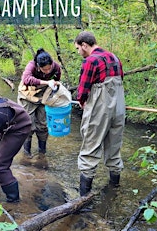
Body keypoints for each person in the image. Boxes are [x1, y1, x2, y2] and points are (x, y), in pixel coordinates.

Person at [74, 31, 126, 197]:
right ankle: (114, 191)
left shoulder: (90, 60)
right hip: (119, 107)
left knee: (90, 148)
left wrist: (82, 102)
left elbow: (83, 90)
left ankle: (83, 199)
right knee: (114, 150)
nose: (78, 52)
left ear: (84, 45)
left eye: (78, 48)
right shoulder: (114, 57)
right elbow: (121, 79)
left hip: (101, 107)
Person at [17, 48, 62, 158]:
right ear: (38, 66)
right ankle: (26, 154)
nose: (47, 71)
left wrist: (54, 85)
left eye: (49, 69)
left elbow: (57, 78)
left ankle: (42, 153)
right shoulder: (31, 66)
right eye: (44, 69)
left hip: (44, 96)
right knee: (27, 124)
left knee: (43, 125)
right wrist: (46, 82)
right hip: (28, 96)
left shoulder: (55, 67)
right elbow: (26, 79)